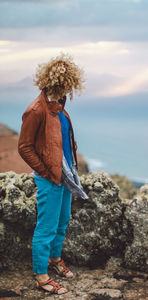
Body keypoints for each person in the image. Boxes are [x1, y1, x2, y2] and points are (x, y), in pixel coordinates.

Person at [18, 53, 88, 295]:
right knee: (46, 227)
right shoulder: (36, 110)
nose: (68, 91)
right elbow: (24, 147)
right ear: (55, 83)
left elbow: (63, 141)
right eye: (65, 86)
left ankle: (54, 260)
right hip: (50, 179)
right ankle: (41, 275)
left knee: (62, 222)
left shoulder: (59, 106)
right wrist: (46, 171)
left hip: (65, 177)